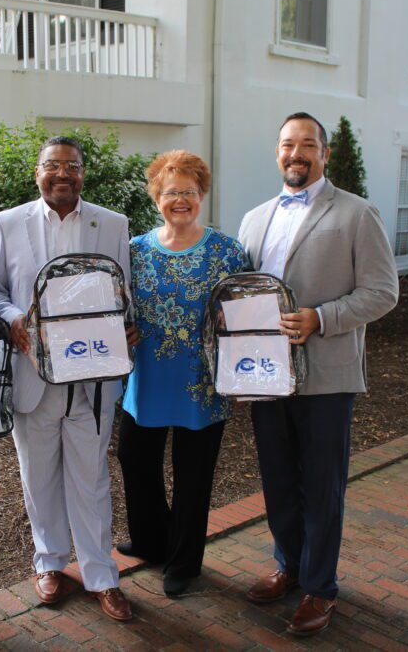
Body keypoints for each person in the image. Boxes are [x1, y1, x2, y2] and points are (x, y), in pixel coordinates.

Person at [238, 113, 399, 636]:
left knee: (322, 485)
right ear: (277, 152)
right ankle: (289, 566)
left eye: (308, 144)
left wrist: (321, 318)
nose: (296, 153)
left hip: (328, 375)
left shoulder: (356, 213)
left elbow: (382, 292)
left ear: (325, 154)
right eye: (288, 144)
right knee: (279, 479)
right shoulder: (254, 218)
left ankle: (320, 587)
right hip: (266, 376)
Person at [0, 136, 135, 622]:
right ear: (38, 172)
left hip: (91, 379)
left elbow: (122, 292)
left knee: (90, 479)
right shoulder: (7, 224)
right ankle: (48, 562)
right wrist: (12, 318)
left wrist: (125, 327)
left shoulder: (112, 224)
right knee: (38, 477)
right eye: (53, 165)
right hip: (33, 373)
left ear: (83, 174)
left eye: (72, 165)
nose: (62, 173)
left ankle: (101, 574)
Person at [116, 150, 248, 597]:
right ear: (156, 196)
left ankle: (183, 561)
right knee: (135, 461)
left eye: (189, 192)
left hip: (202, 382)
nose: (180, 200)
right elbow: (117, 308)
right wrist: (122, 329)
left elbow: (247, 315)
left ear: (201, 195)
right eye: (171, 192)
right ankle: (154, 541)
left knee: (193, 474)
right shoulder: (133, 251)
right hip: (146, 378)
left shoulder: (227, 252)